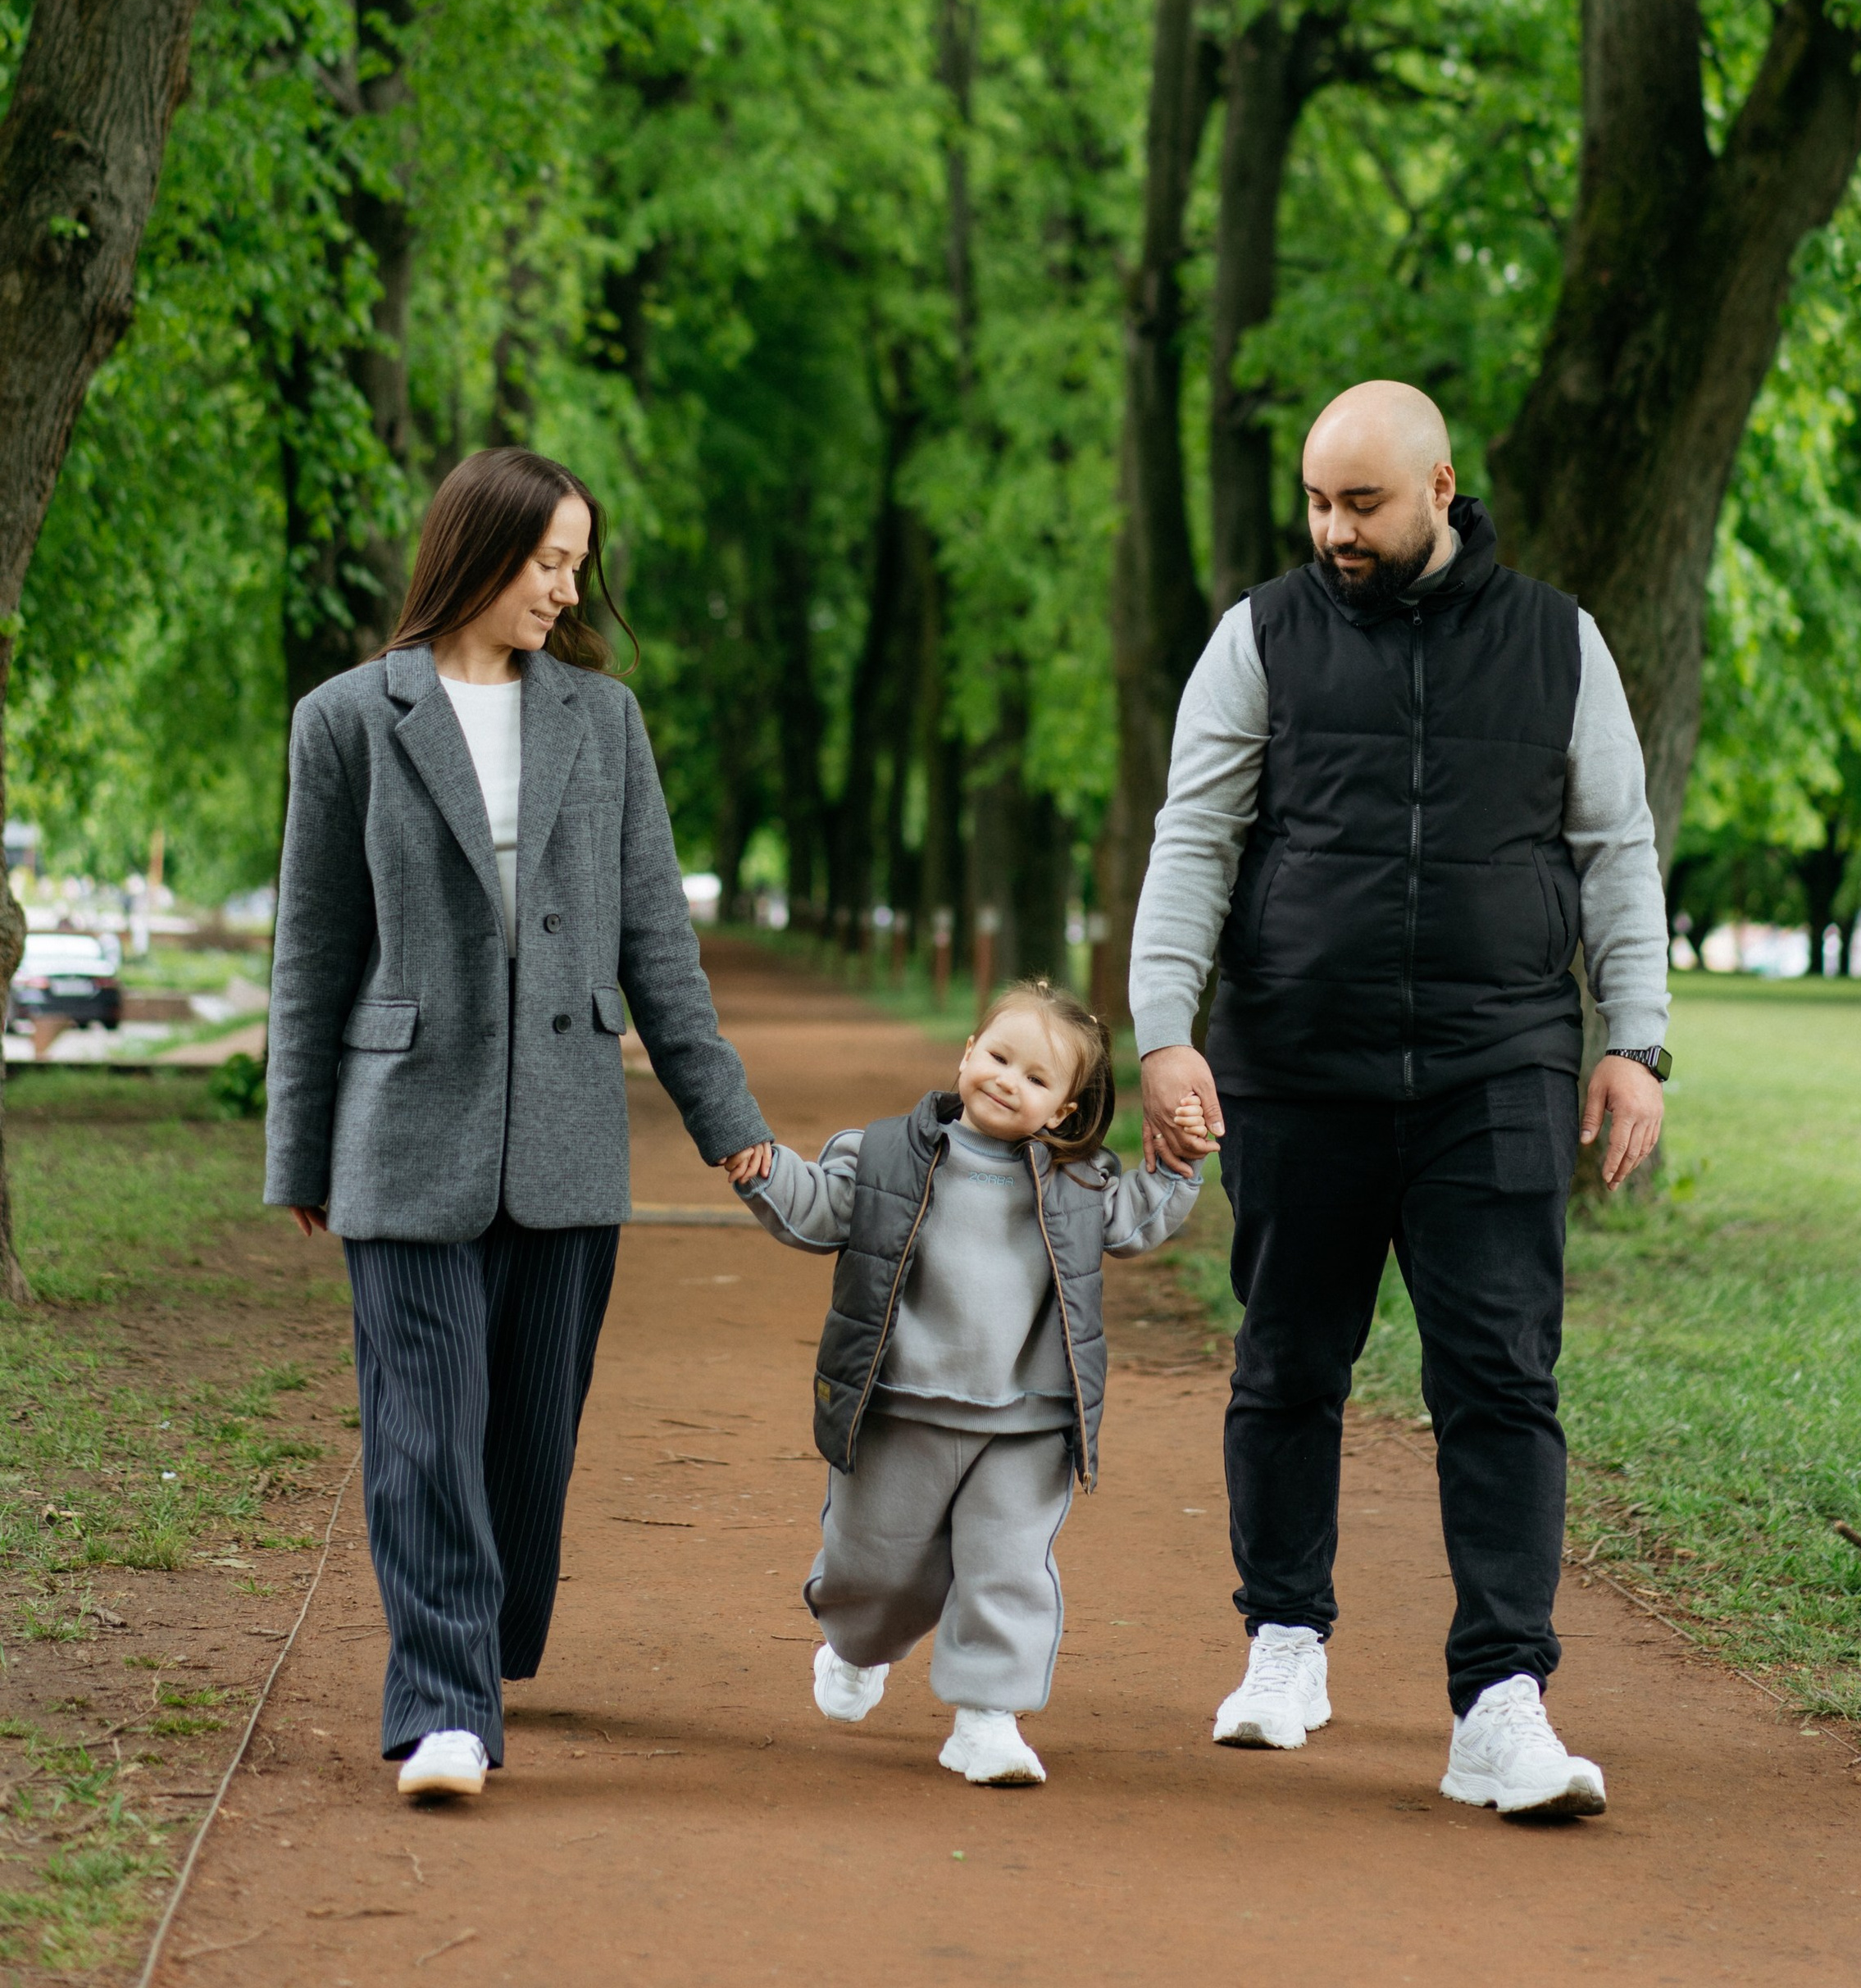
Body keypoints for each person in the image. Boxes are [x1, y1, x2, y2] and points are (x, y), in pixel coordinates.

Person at [1131, 380, 1671, 1818]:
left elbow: (1616, 846)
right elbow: (1197, 837)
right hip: (1298, 1063)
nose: (1333, 531)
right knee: (1290, 1361)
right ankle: (1285, 1642)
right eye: (1315, 502)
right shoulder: (1262, 634)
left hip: (1496, 1068)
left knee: (1500, 1374)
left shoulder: (1560, 641)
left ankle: (1502, 1701)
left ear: (1442, 488)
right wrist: (1162, 1032)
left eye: (1360, 503)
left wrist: (1638, 1042)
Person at [265, 448, 771, 1804]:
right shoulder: (346, 721)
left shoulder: (604, 721)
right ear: (478, 551)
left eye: (575, 564)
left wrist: (731, 1124)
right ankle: (441, 1704)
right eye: (548, 559)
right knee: (422, 1428)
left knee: (527, 1441)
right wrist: (299, 1150)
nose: (567, 586)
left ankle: (488, 1642)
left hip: (564, 1141)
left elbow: (659, 941)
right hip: (399, 1133)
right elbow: (311, 954)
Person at [727, 979, 1207, 1785]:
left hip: (1025, 1422)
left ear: (1062, 1110)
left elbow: (1136, 1218)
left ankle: (986, 1719)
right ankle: (855, 1645)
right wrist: (765, 1168)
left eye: (1035, 1077)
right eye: (997, 1056)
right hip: (899, 1410)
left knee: (1007, 1569)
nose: (1006, 1079)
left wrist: (1181, 1162)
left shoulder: (1079, 1182)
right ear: (966, 1054)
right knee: (876, 1572)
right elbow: (814, 1209)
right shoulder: (882, 1156)